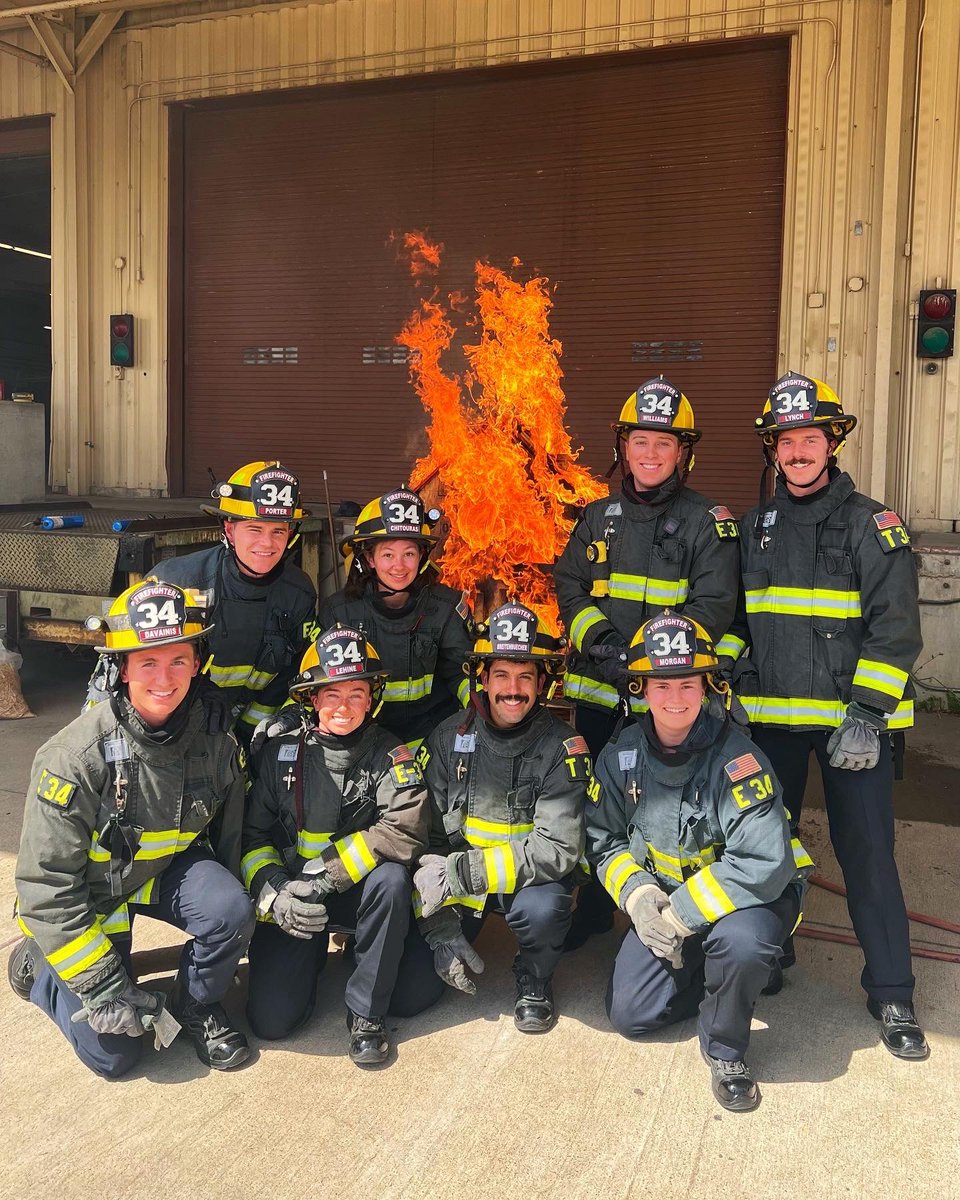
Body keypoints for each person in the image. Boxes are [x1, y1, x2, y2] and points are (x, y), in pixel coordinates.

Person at [718, 371, 927, 1060]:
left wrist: (868, 713)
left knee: (867, 856)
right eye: (787, 440)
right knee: (763, 850)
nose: (799, 450)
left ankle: (893, 991)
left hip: (851, 731)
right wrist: (739, 690)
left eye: (811, 437)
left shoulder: (874, 524)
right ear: (773, 449)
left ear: (832, 442)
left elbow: (895, 630)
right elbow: (734, 624)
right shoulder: (755, 529)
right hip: (771, 725)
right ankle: (770, 956)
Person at [9, 579, 254, 1078]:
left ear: (198, 663)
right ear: (121, 669)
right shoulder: (72, 759)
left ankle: (195, 1006)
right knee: (116, 1056)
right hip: (90, 896)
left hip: (160, 874)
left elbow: (231, 843)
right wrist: (101, 985)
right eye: (147, 662)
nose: (165, 678)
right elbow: (45, 889)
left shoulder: (215, 741)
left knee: (230, 907)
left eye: (178, 660)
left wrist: (242, 926)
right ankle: (37, 969)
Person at [587, 612, 812, 1112]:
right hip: (666, 902)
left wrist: (677, 917)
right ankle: (728, 981)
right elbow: (602, 840)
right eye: (661, 683)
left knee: (743, 945)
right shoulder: (621, 756)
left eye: (687, 683)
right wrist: (641, 899)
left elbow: (761, 860)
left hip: (751, 901)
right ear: (640, 688)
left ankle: (727, 1047)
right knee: (630, 1014)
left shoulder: (738, 762)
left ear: (707, 687)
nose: (674, 697)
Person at [555, 377, 741, 947]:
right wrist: (607, 649)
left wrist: (647, 670)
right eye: (641, 441)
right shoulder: (596, 518)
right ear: (623, 448)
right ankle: (591, 908)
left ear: (684, 452)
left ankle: (675, 908)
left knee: (663, 803)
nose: (651, 454)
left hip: (666, 701)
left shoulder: (709, 523)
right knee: (593, 798)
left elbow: (713, 609)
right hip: (596, 691)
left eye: (665, 443)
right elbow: (570, 588)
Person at [241, 626, 441, 1065]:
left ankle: (366, 1014)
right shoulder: (280, 756)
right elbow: (252, 839)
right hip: (296, 900)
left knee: (391, 882)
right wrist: (275, 895)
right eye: (331, 694)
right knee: (271, 1022)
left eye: (356, 693)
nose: (344, 707)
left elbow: (405, 830)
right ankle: (309, 953)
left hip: (359, 897)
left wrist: (325, 878)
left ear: (373, 698)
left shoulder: (393, 756)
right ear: (311, 700)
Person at [412, 602, 589, 1033]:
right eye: (503, 676)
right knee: (410, 996)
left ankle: (534, 975)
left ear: (543, 683)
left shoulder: (564, 748)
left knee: (545, 910)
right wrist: (437, 924)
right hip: (461, 889)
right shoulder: (448, 737)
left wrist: (462, 874)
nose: (514, 689)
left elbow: (558, 849)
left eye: (526, 676)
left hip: (524, 886)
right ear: (483, 680)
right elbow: (425, 836)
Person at [141, 460, 316, 747]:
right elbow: (128, 671)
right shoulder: (176, 583)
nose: (267, 543)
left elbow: (293, 671)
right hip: (173, 729)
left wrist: (254, 736)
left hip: (254, 732)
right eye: (254, 529)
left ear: (291, 534)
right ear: (230, 529)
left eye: (278, 531)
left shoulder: (298, 593)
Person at [317, 487, 474, 750]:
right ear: (369, 558)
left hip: (432, 738)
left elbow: (461, 673)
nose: (399, 566)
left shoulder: (446, 608)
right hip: (363, 740)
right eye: (388, 554)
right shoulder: (339, 612)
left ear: (422, 556)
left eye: (409, 554)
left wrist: (483, 711)